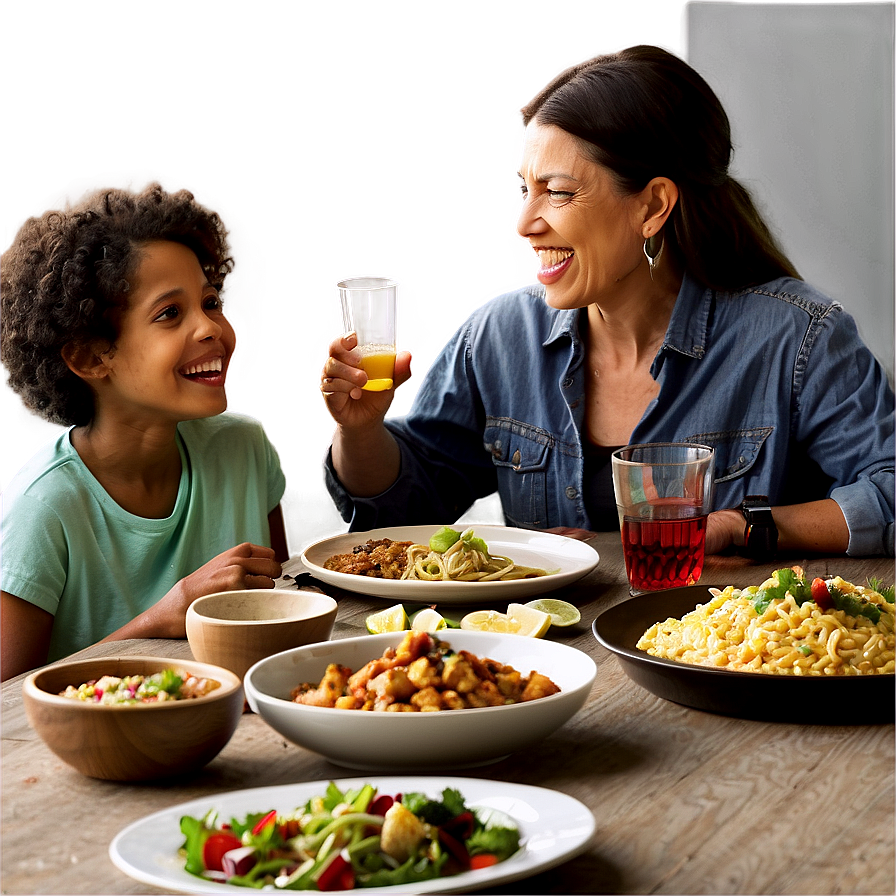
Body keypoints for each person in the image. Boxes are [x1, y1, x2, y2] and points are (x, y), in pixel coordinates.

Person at [319, 45, 894, 559]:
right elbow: (399, 515)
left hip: (720, 663)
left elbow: (889, 489)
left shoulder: (797, 336)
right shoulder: (500, 337)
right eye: (525, 188)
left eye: (559, 192)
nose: (524, 223)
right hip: (546, 672)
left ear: (652, 207)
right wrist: (361, 432)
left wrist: (744, 527)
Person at [1, 183, 289, 680]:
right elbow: (6, 704)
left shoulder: (245, 450)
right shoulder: (44, 507)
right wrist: (161, 618)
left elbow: (288, 614)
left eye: (211, 300)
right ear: (91, 357)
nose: (210, 328)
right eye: (170, 313)